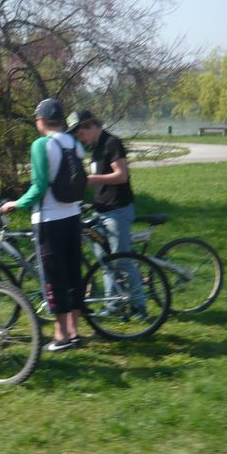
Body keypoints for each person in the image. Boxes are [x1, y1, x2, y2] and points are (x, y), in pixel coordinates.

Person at [1, 98, 85, 352]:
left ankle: (60, 336)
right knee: (73, 273)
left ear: (41, 121)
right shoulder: (74, 143)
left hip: (49, 219)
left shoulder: (41, 145)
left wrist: (16, 204)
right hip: (73, 215)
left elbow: (38, 187)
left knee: (53, 277)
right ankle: (74, 331)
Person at [67, 109, 146, 312]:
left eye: (81, 133)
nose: (80, 138)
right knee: (104, 261)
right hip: (101, 210)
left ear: (92, 125)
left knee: (122, 260)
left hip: (118, 209)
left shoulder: (112, 143)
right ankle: (113, 305)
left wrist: (93, 179)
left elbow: (122, 176)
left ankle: (139, 305)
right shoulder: (96, 148)